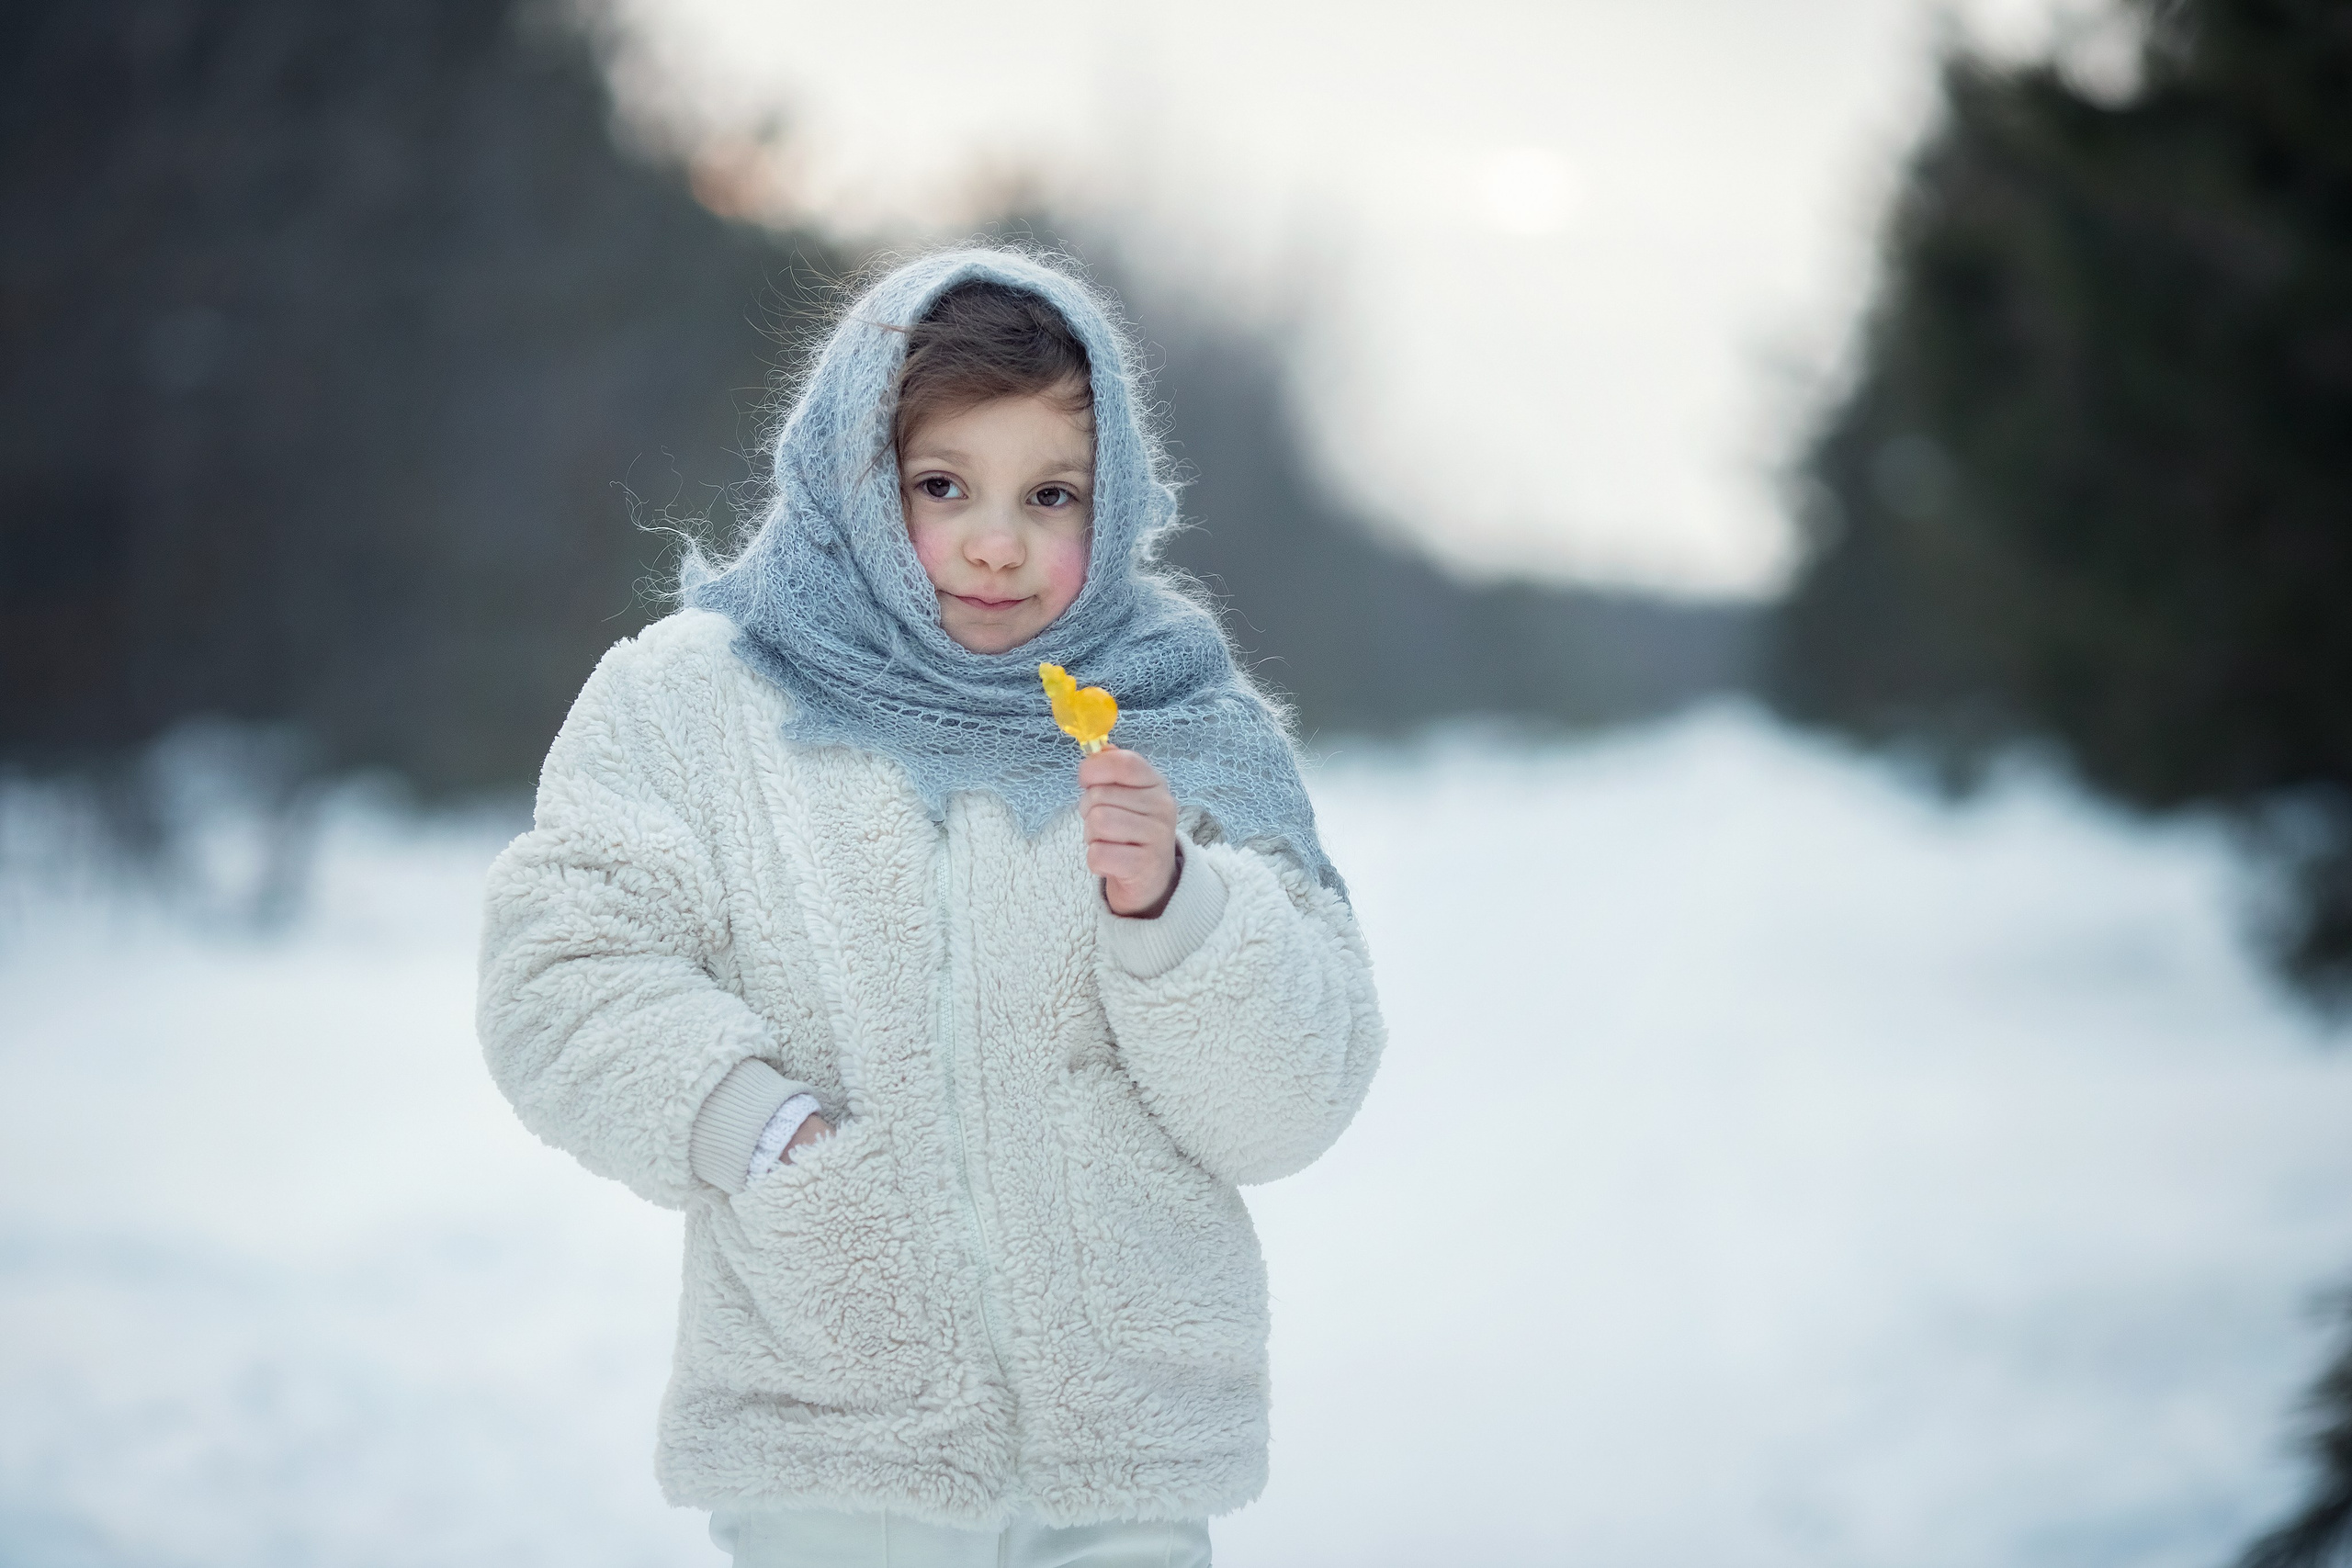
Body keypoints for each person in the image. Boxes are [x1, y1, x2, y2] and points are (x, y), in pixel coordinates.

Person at [476, 247, 1385, 1568]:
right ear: (853, 475)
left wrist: (1177, 913)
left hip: (1124, 1455)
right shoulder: (700, 700)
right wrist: (758, 1130)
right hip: (834, 1439)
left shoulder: (1179, 718)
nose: (997, 540)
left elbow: (1297, 1096)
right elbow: (559, 966)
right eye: (942, 484)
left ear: (1117, 492)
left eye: (1053, 493)